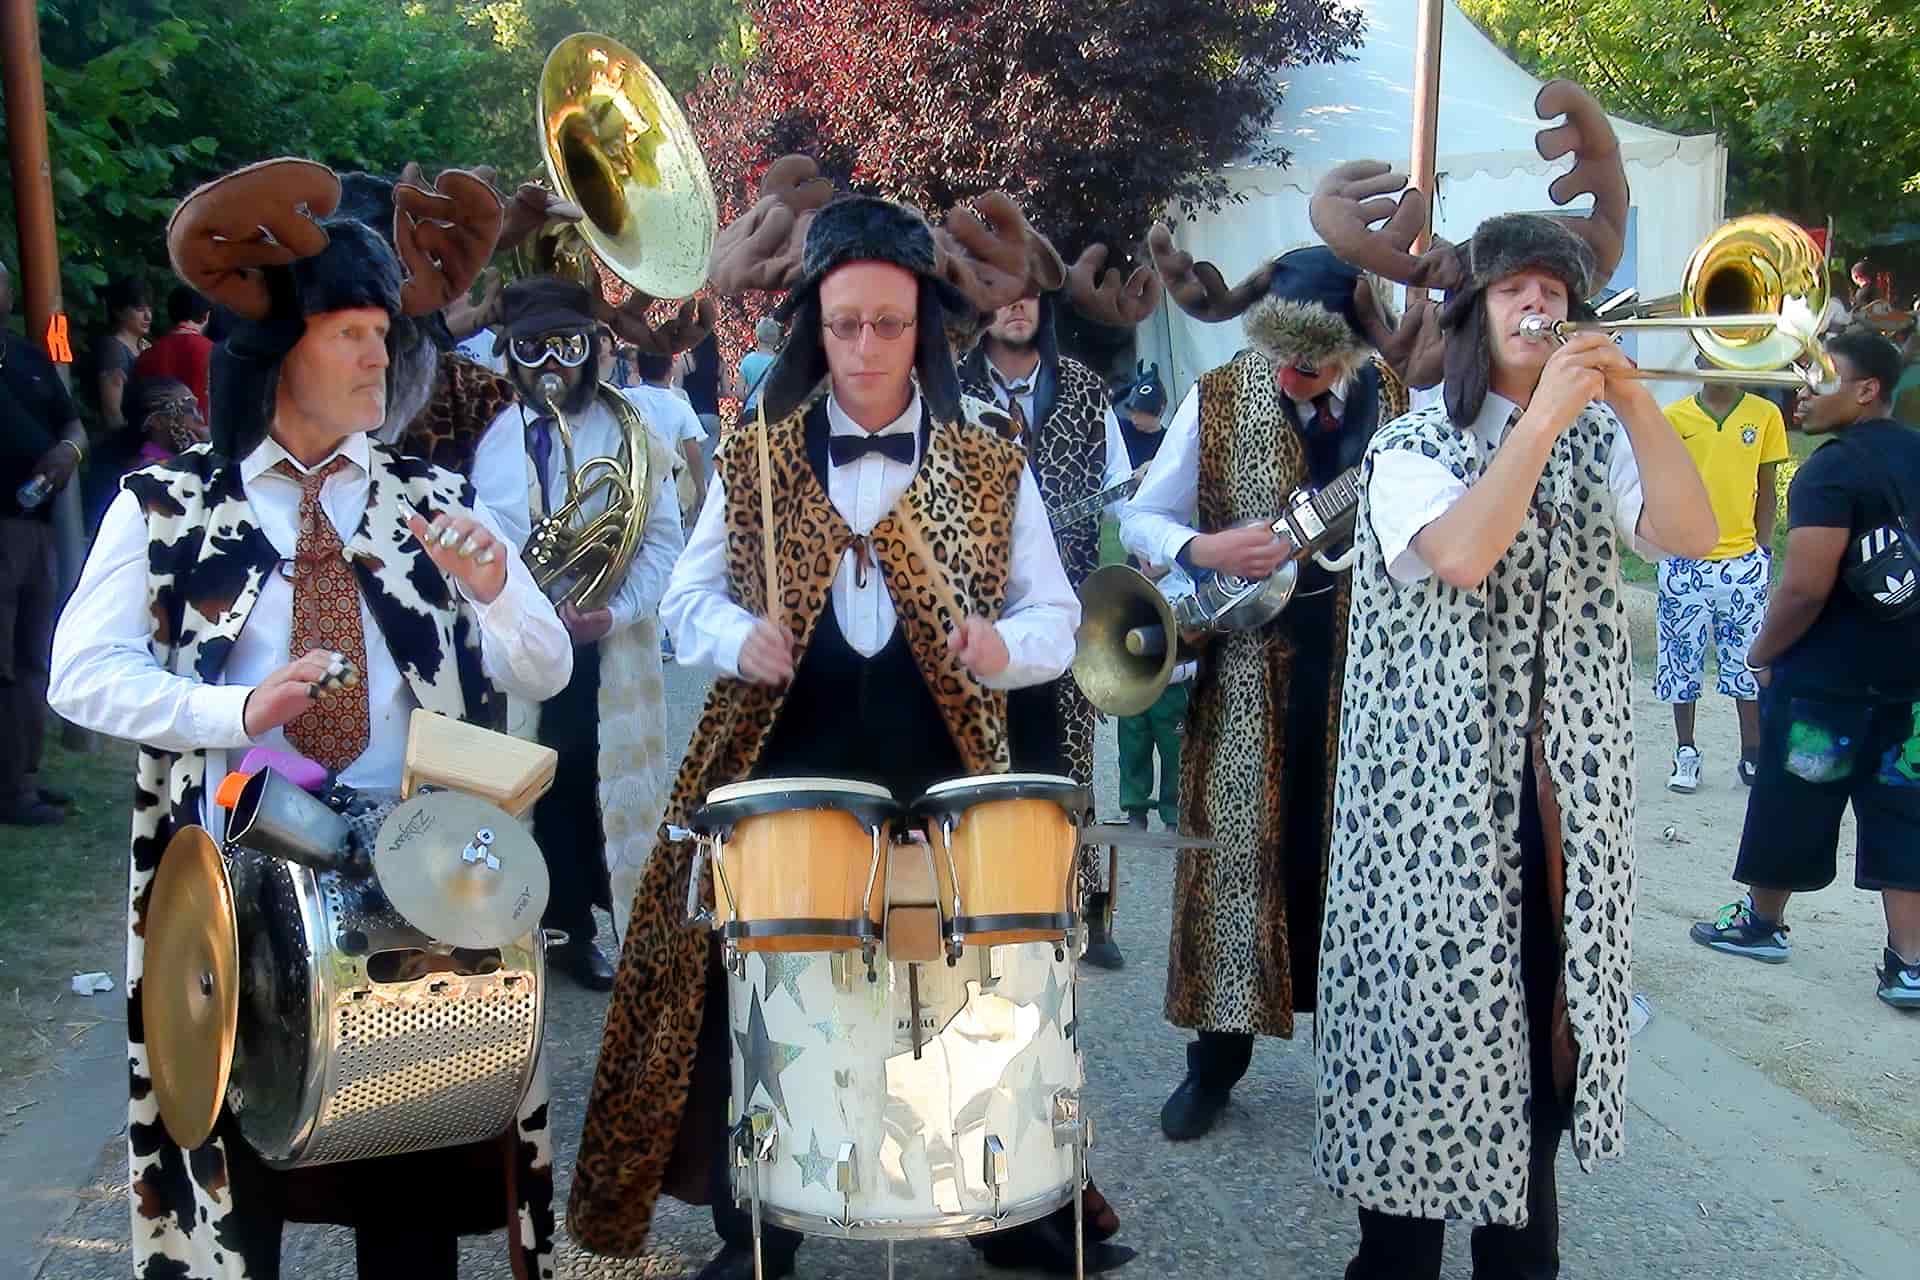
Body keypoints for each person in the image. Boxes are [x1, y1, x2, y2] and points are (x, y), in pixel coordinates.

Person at [569, 185, 1127, 1280]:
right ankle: (760, 1223)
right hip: (786, 758)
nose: (865, 345)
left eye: (888, 322)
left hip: (942, 763)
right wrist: (741, 639)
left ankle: (1004, 1212)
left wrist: (1006, 650)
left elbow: (1058, 614)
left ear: (923, 330)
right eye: (844, 323)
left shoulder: (985, 460)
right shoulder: (759, 457)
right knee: (760, 992)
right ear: (813, 329)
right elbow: (686, 603)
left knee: (966, 991)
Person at [46, 158, 570, 1279]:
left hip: (412, 884)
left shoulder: (432, 500)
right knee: (242, 1199)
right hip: (234, 893)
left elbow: (546, 661)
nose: (382, 354)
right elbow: (79, 675)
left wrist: (495, 591)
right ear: (281, 349)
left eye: (385, 331)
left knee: (415, 1202)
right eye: (351, 332)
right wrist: (234, 705)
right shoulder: (175, 504)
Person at [1317, 210, 1716, 1277]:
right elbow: (1462, 552)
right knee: (1420, 1069)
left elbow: (1694, 533)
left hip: (1557, 814)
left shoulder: (1600, 439)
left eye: (1556, 291)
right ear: (1474, 314)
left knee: (1541, 1062)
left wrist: (1633, 398)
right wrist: (1539, 422)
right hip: (1432, 823)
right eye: (1515, 291)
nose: (1539, 307)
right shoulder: (1408, 445)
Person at [1120, 244, 1406, 1142]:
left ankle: (1366, 1068)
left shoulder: (1400, 404)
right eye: (1280, 354)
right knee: (1236, 862)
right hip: (1246, 670)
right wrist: (1205, 550)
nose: (1291, 374)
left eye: (1312, 359)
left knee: (1362, 864)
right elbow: (1140, 514)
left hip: (1370, 670)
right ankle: (1214, 1066)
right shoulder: (1218, 398)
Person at [1688, 330, 1920, 1010]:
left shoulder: (1830, 469)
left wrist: (1761, 654)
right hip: (1911, 683)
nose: (1802, 390)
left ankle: (1762, 923)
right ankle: (1908, 964)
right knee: (1907, 810)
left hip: (1827, 683)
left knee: (1792, 801)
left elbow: (1804, 588)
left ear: (1867, 389)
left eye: (1820, 377)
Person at [483, 276, 685, 991]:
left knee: (604, 795)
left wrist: (619, 609)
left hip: (609, 649)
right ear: (509, 355)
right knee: (533, 789)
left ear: (593, 349)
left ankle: (598, 932)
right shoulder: (491, 437)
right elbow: (483, 548)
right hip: (521, 650)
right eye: (532, 350)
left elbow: (665, 539)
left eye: (566, 347)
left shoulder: (632, 427)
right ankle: (537, 929)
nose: (551, 366)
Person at [1656, 356, 1790, 791]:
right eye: (1712, 355)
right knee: (1681, 662)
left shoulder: (1764, 415)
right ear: (1697, 359)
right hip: (1685, 562)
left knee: (1747, 661)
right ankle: (1685, 751)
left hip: (1742, 562)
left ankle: (1751, 753)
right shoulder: (1674, 417)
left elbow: (1767, 487)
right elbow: (1664, 487)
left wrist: (1763, 551)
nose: (1721, 365)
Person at [0, 258, 86, 827]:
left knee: (33, 659)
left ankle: (21, 778)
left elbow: (73, 422)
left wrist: (68, 453)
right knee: (3, 663)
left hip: (36, 528)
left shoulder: (27, 356)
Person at [1110, 366, 1189, 835]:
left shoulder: (1180, 578)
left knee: (1173, 741)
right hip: (1135, 676)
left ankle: (1174, 809)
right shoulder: (1125, 581)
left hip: (1173, 677)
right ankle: (1134, 803)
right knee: (1133, 738)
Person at [631, 348, 711, 524]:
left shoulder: (626, 398)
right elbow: (693, 451)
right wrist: (700, 489)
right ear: (669, 371)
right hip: (666, 488)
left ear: (638, 368)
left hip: (631, 484)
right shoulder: (680, 406)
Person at [134, 285, 214, 420]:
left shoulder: (146, 356)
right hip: (204, 435)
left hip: (158, 437)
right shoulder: (216, 354)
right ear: (206, 316)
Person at [93, 275, 152, 434]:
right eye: (139, 309)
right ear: (119, 312)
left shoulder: (145, 346)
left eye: (149, 309)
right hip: (127, 441)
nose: (148, 316)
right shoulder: (113, 348)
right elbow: (112, 412)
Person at [736, 314, 781, 418]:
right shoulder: (780, 362)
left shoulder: (748, 360)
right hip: (773, 413)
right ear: (776, 338)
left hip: (751, 412)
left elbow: (739, 393)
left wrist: (750, 398)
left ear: (757, 336)